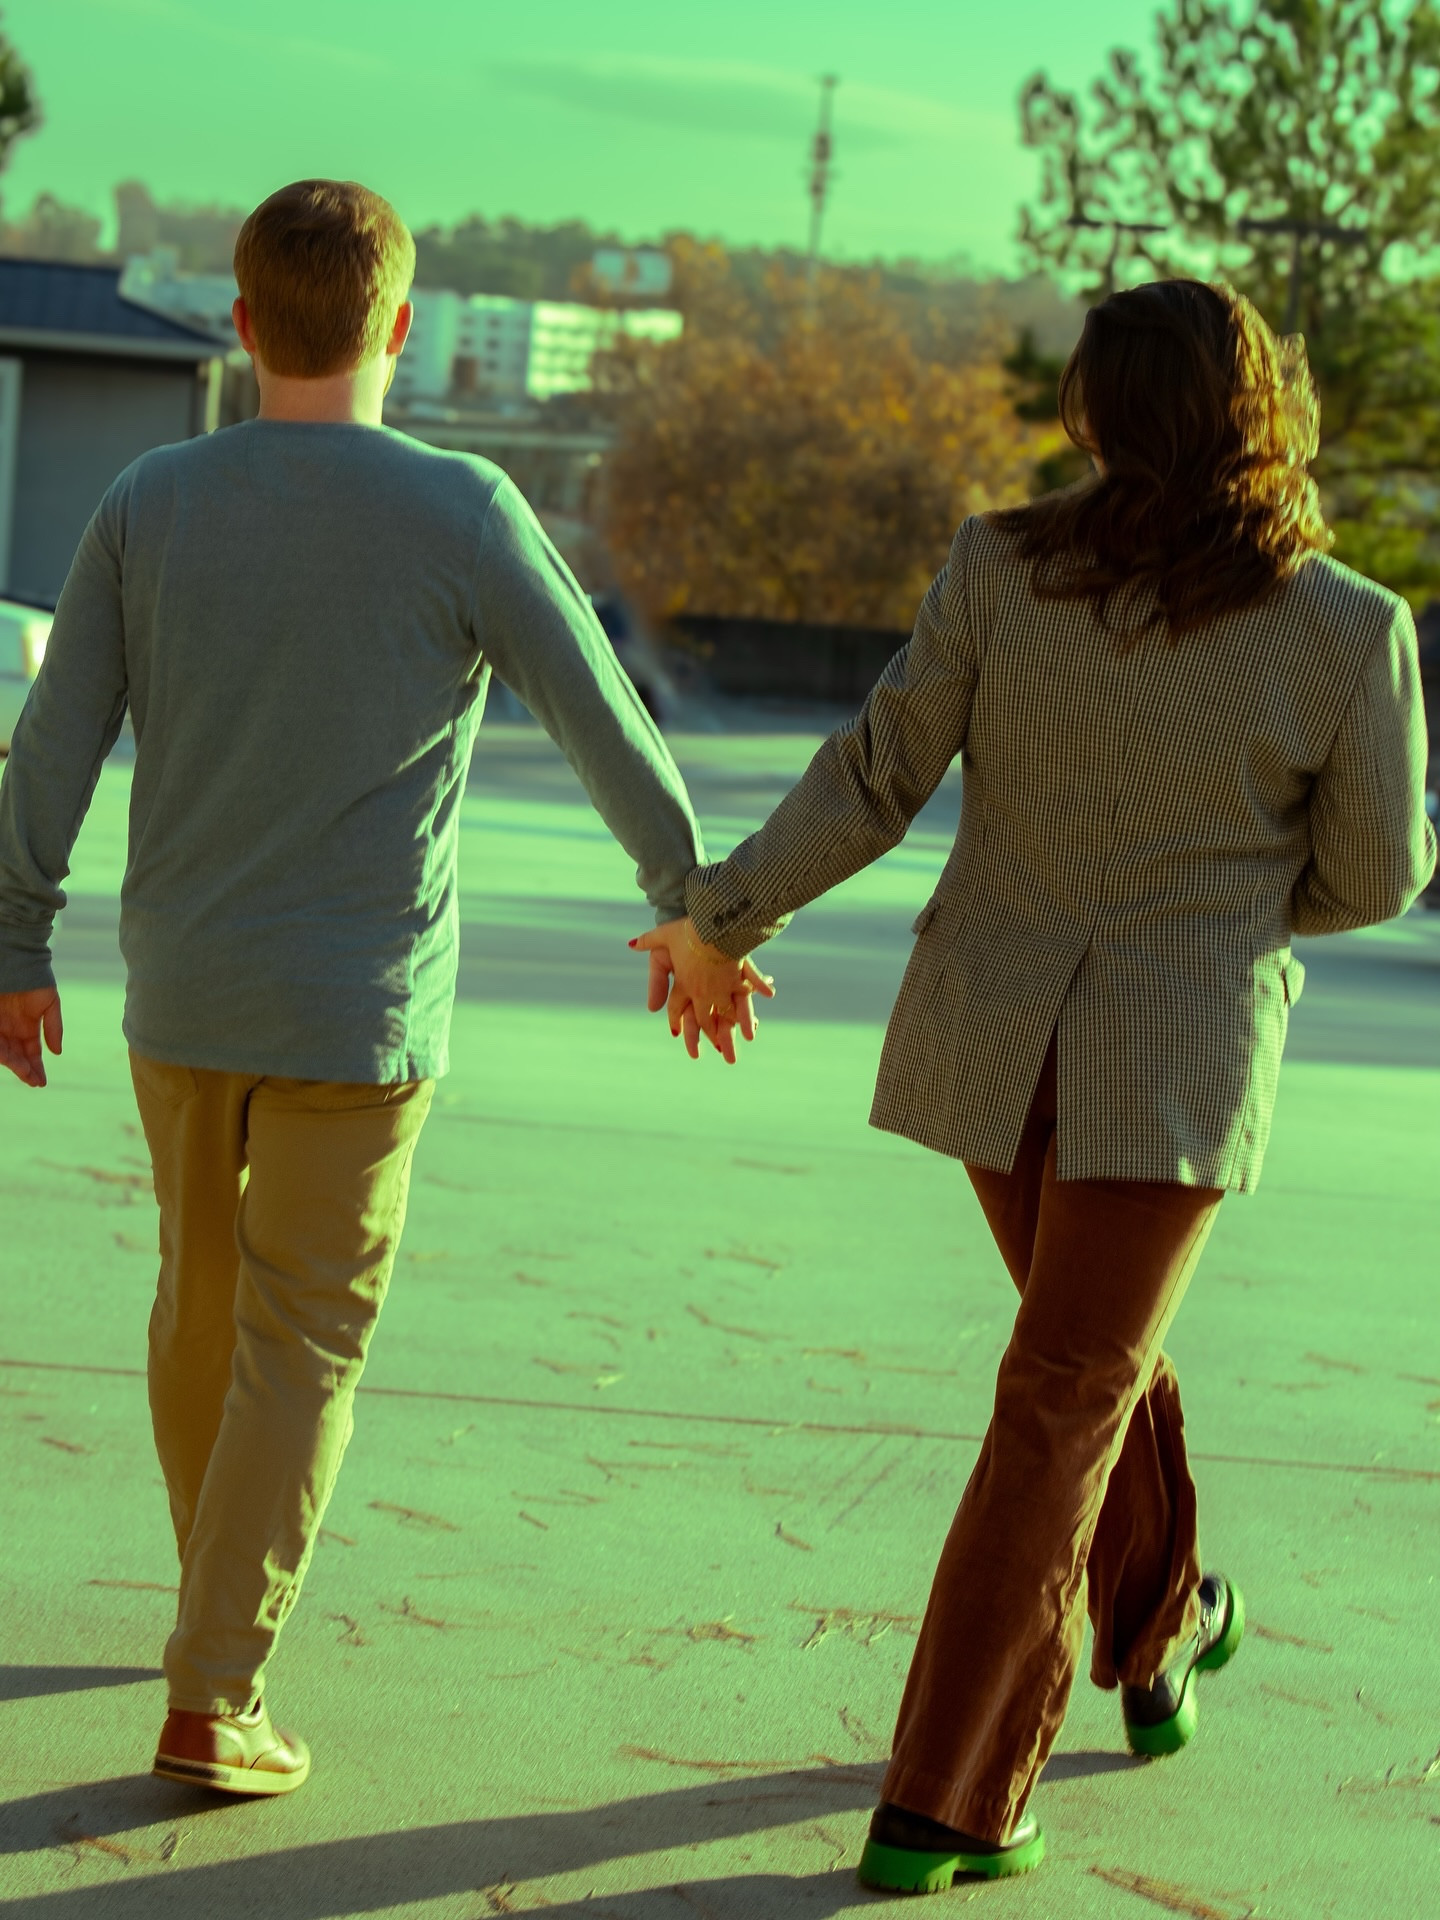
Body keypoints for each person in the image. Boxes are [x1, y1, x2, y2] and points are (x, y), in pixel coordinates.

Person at [635, 279, 1436, 1890]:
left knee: (1081, 1369)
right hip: (1175, 1055)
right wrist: (1222, 916)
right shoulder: (1351, 628)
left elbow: (879, 773)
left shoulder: (1000, 568)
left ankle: (1161, 1630)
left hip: (995, 1029)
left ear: (1091, 408)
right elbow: (1376, 874)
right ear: (1260, 409)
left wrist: (721, 918)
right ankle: (952, 1793)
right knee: (1069, 1390)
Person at [0, 178, 771, 1796]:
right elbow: (609, 727)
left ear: (238, 322)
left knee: (200, 1305)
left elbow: (51, 746)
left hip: (183, 996)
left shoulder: (148, 500)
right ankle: (217, 1690)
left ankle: (212, 1603)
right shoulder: (465, 510)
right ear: (404, 329)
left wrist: (12, 944)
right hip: (360, 1013)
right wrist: (698, 918)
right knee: (307, 1338)